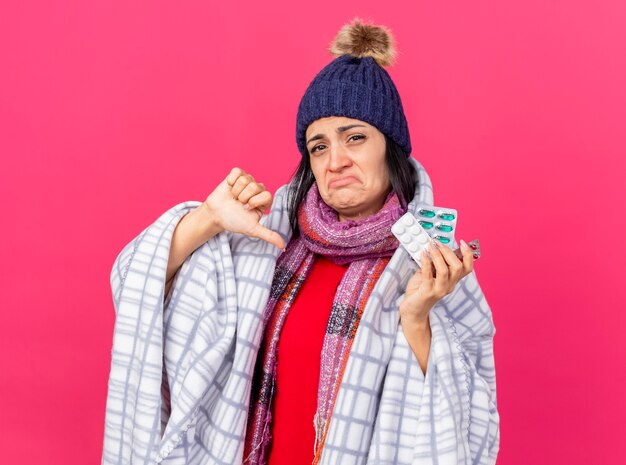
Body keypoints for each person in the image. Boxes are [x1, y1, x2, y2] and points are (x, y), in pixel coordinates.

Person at [102, 17, 500, 465]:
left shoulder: (434, 267)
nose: (336, 161)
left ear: (390, 148)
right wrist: (208, 219)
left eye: (355, 138)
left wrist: (416, 319)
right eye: (319, 146)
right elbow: (135, 286)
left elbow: (470, 421)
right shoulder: (267, 249)